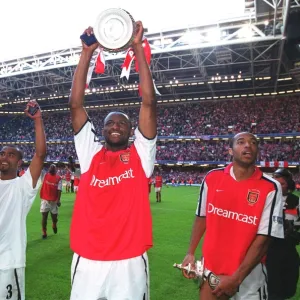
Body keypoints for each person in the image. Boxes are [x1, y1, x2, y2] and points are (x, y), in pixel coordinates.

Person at [69, 21, 157, 300]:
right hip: (88, 259)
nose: (116, 126)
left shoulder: (141, 156)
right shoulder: (90, 154)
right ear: (102, 130)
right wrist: (86, 53)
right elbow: (75, 105)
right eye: (110, 123)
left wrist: (137, 49)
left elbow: (148, 103)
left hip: (129, 261)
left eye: (122, 123)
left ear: (132, 131)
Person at [181, 132, 284, 300]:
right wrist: (190, 252)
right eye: (241, 142)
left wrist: (237, 278)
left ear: (257, 150)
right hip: (211, 269)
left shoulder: (271, 187)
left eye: (253, 142)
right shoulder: (212, 178)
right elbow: (202, 217)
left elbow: (265, 238)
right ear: (230, 150)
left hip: (249, 275)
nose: (248, 145)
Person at [0, 100, 46, 300]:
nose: (4, 157)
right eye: (2, 153)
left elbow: (41, 154)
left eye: (11, 155)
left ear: (18, 162)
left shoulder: (23, 186)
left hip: (8, 263)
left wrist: (37, 120)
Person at [266, 168, 300, 300]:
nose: (279, 187)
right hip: (269, 251)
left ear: (289, 185)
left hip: (288, 251)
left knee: (288, 288)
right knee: (272, 290)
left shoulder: (295, 201)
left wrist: (296, 232)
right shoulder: (267, 200)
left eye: (283, 184)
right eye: (276, 183)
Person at [40, 164, 62, 239]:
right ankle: (44, 232)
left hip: (54, 201)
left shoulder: (58, 178)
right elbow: (39, 168)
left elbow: (59, 190)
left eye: (53, 167)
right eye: (51, 167)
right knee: (44, 216)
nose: (52, 168)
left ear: (56, 170)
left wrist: (58, 200)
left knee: (54, 218)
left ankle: (54, 224)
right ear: (49, 169)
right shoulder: (45, 175)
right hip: (45, 200)